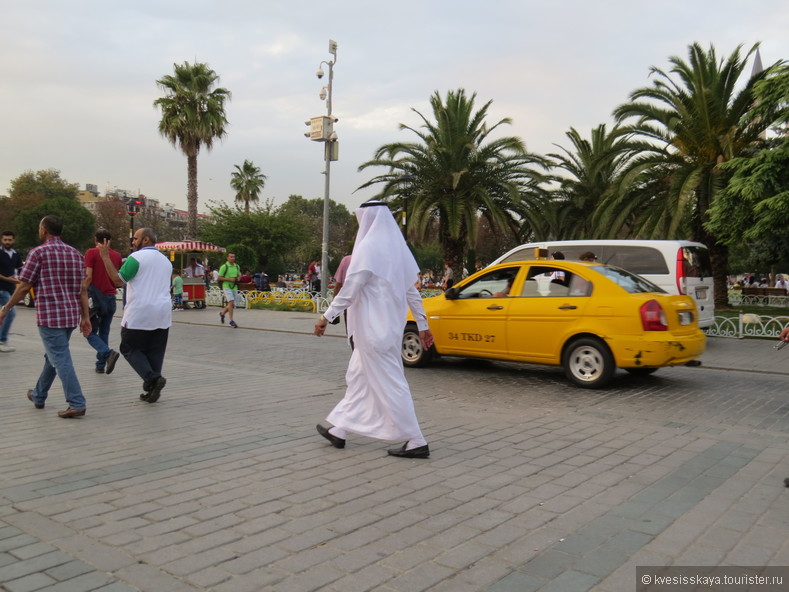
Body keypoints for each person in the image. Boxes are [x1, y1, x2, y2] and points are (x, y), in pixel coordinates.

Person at [313, 201, 435, 459]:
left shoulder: (368, 249)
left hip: (372, 332)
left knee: (391, 384)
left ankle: (416, 440)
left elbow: (350, 289)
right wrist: (423, 326)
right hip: (389, 331)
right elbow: (412, 293)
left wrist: (326, 316)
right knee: (358, 378)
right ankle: (340, 430)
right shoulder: (398, 251)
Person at [0, 216, 91, 417]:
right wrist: (85, 317)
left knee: (60, 357)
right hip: (70, 316)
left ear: (44, 230)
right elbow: (82, 289)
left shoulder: (38, 253)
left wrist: (5, 309)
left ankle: (76, 402)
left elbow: (24, 286)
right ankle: (39, 395)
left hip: (50, 316)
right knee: (54, 356)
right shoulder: (75, 253)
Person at [97, 227, 172, 403]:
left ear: (146, 240)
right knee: (155, 351)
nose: (133, 241)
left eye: (136, 238)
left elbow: (117, 280)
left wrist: (106, 258)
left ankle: (153, 379)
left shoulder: (136, 258)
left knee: (129, 348)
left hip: (140, 312)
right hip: (162, 312)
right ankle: (153, 388)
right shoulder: (166, 261)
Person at [83, 229, 122, 374]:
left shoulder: (91, 253)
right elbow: (116, 279)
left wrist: (82, 293)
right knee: (104, 332)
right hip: (111, 297)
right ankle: (100, 365)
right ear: (109, 241)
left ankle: (107, 353)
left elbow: (88, 277)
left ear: (95, 240)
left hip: (95, 297)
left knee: (89, 331)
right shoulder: (117, 256)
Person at [0, 230, 23, 352]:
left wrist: (20, 278)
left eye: (9, 240)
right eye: (5, 240)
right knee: (10, 312)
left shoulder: (15, 254)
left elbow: (20, 269)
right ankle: (2, 340)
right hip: (1, 288)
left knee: (4, 313)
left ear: (13, 240)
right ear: (1, 240)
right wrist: (9, 279)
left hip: (10, 289)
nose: (7, 242)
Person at [217, 253, 241, 328]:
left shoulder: (236, 266)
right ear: (227, 258)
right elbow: (219, 278)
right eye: (231, 257)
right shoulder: (224, 267)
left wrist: (238, 278)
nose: (232, 258)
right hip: (226, 286)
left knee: (232, 305)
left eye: (233, 257)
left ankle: (223, 313)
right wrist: (229, 279)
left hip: (234, 287)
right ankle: (231, 320)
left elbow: (239, 274)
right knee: (231, 302)